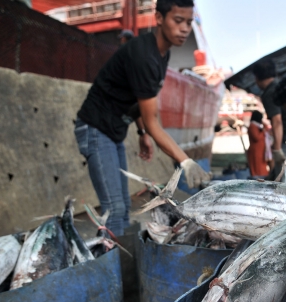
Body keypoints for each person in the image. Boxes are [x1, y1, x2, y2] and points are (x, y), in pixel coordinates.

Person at [74, 0, 210, 236]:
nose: (185, 28)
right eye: (178, 21)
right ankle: (109, 264)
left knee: (123, 206)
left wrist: (141, 133)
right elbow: (153, 121)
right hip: (95, 128)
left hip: (114, 129)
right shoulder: (144, 56)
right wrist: (185, 161)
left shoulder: (161, 54)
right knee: (114, 208)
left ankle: (121, 258)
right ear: (158, 18)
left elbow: (139, 101)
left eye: (189, 22)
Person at [252, 60, 286, 184]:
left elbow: (277, 121)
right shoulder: (279, 86)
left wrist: (277, 149)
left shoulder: (269, 93)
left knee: (284, 177)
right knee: (279, 174)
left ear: (257, 77)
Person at [247, 111, 269, 177]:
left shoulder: (258, 126)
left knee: (262, 166)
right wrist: (263, 131)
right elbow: (256, 137)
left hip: (261, 150)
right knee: (257, 167)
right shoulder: (252, 126)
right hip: (256, 151)